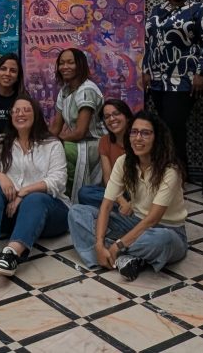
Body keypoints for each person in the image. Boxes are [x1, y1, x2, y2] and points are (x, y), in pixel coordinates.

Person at [68, 111, 188, 281]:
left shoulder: (170, 171)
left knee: (163, 239)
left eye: (145, 133)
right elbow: (106, 205)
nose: (138, 138)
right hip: (134, 222)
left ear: (157, 138)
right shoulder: (124, 162)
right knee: (77, 212)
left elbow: (153, 219)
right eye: (134, 132)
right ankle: (121, 257)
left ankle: (115, 255)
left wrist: (118, 245)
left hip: (168, 230)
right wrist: (100, 243)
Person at [0, 96, 70, 278]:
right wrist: (1, 176)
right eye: (16, 111)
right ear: (11, 116)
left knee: (35, 199)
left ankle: (12, 254)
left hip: (51, 213)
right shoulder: (2, 142)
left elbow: (58, 180)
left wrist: (23, 193)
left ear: (36, 114)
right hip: (13, 214)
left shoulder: (52, 144)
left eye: (26, 110)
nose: (20, 114)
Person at [142, 0, 203, 170]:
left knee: (174, 127)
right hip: (158, 81)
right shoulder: (158, 10)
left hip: (184, 80)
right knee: (163, 127)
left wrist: (201, 73)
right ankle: (167, 171)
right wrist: (146, 71)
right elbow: (149, 42)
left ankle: (178, 173)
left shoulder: (200, 9)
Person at [49, 48, 107, 202]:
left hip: (94, 143)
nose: (65, 67)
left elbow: (80, 132)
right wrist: (41, 140)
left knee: (58, 151)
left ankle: (68, 200)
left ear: (80, 65)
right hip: (76, 142)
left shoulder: (87, 89)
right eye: (61, 63)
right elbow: (56, 128)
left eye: (70, 62)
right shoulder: (64, 91)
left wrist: (57, 141)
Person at [77, 99, 134, 210]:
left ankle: (126, 210)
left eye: (116, 114)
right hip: (117, 191)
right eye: (107, 117)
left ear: (127, 116)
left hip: (139, 191)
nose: (112, 119)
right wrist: (120, 200)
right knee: (85, 193)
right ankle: (123, 209)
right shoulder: (104, 141)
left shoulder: (137, 138)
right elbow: (108, 179)